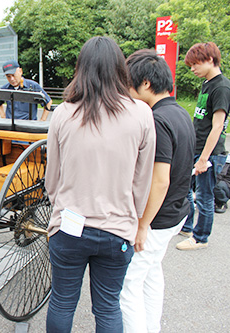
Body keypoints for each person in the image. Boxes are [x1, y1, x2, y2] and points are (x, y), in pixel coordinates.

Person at [45, 36, 156, 332]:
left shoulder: (64, 113)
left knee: (62, 302)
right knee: (108, 307)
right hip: (117, 229)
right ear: (121, 69)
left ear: (81, 68)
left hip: (69, 227)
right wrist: (135, 220)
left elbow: (52, 177)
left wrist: (62, 205)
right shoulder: (142, 114)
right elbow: (142, 180)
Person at [119, 49, 196, 333]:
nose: (127, 92)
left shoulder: (157, 121)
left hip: (157, 219)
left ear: (146, 85)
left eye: (129, 85)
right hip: (176, 215)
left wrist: (142, 225)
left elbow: (160, 180)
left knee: (128, 286)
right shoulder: (180, 113)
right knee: (151, 275)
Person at [176, 42, 230, 251]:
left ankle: (200, 238)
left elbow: (217, 127)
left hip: (209, 153)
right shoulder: (207, 83)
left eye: (195, 64)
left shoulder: (222, 86)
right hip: (195, 147)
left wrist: (203, 158)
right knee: (184, 187)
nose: (192, 69)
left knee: (205, 195)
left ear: (209, 59)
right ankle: (187, 226)